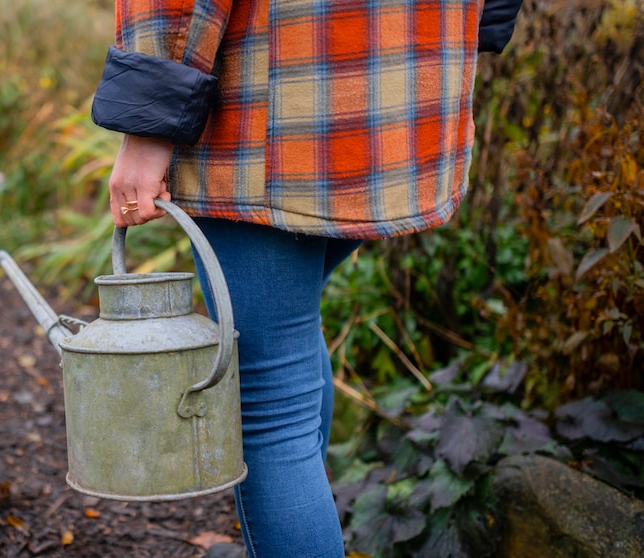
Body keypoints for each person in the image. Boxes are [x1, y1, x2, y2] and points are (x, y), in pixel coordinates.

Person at [90, 0, 520, 556]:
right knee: (286, 346)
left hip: (277, 95)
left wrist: (149, 117)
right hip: (407, 72)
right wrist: (464, 34)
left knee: (271, 409)